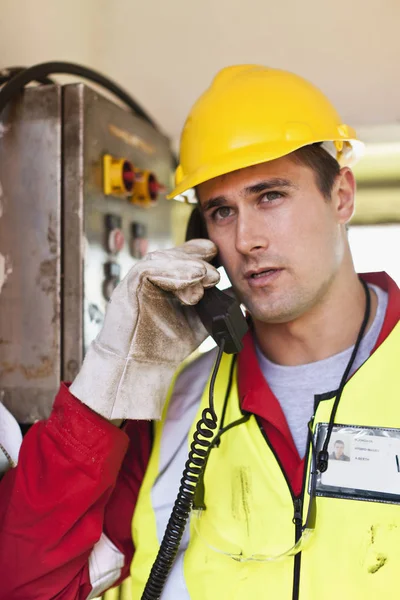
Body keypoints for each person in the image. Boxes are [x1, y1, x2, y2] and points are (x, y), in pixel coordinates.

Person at [0, 65, 399, 600]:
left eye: (270, 196)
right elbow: (22, 584)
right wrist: (106, 384)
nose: (247, 239)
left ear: (342, 196)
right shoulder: (173, 409)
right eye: (221, 210)